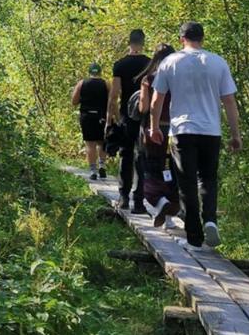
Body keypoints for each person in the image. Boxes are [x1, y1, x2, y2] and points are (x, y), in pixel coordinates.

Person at [148, 22, 242, 250]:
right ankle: (210, 219)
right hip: (211, 131)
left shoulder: (171, 62)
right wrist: (235, 134)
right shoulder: (218, 62)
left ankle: (194, 238)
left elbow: (156, 100)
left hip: (183, 130)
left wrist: (154, 127)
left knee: (187, 183)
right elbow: (229, 101)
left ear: (181, 39)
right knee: (208, 178)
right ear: (203, 38)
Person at [137, 44, 180, 228]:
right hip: (177, 130)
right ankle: (170, 217)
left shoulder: (149, 79)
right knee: (172, 172)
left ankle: (160, 202)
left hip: (154, 130)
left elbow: (144, 108)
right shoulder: (179, 77)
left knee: (152, 169)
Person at [109, 29, 150, 212]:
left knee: (126, 155)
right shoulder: (150, 64)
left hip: (127, 115)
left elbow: (114, 95)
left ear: (129, 42)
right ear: (143, 43)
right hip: (145, 117)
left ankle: (124, 197)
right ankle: (139, 201)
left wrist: (116, 118)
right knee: (142, 157)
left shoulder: (120, 65)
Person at [71, 63, 109, 180]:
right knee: (102, 142)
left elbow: (74, 101)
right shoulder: (106, 84)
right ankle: (102, 165)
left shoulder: (82, 83)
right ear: (100, 72)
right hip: (101, 116)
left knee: (90, 144)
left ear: (89, 72)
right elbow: (112, 101)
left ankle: (93, 170)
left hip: (87, 116)